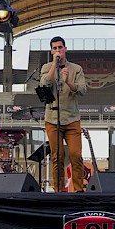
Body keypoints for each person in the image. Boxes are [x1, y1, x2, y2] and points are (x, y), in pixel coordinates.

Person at [39, 36, 88, 192]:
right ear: (51, 50)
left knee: (75, 155)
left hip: (72, 118)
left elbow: (82, 90)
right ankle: (59, 191)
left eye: (60, 47)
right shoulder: (46, 67)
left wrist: (68, 82)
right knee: (57, 156)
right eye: (54, 48)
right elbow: (44, 84)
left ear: (65, 49)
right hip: (52, 119)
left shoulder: (76, 69)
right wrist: (54, 64)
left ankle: (79, 190)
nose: (58, 50)